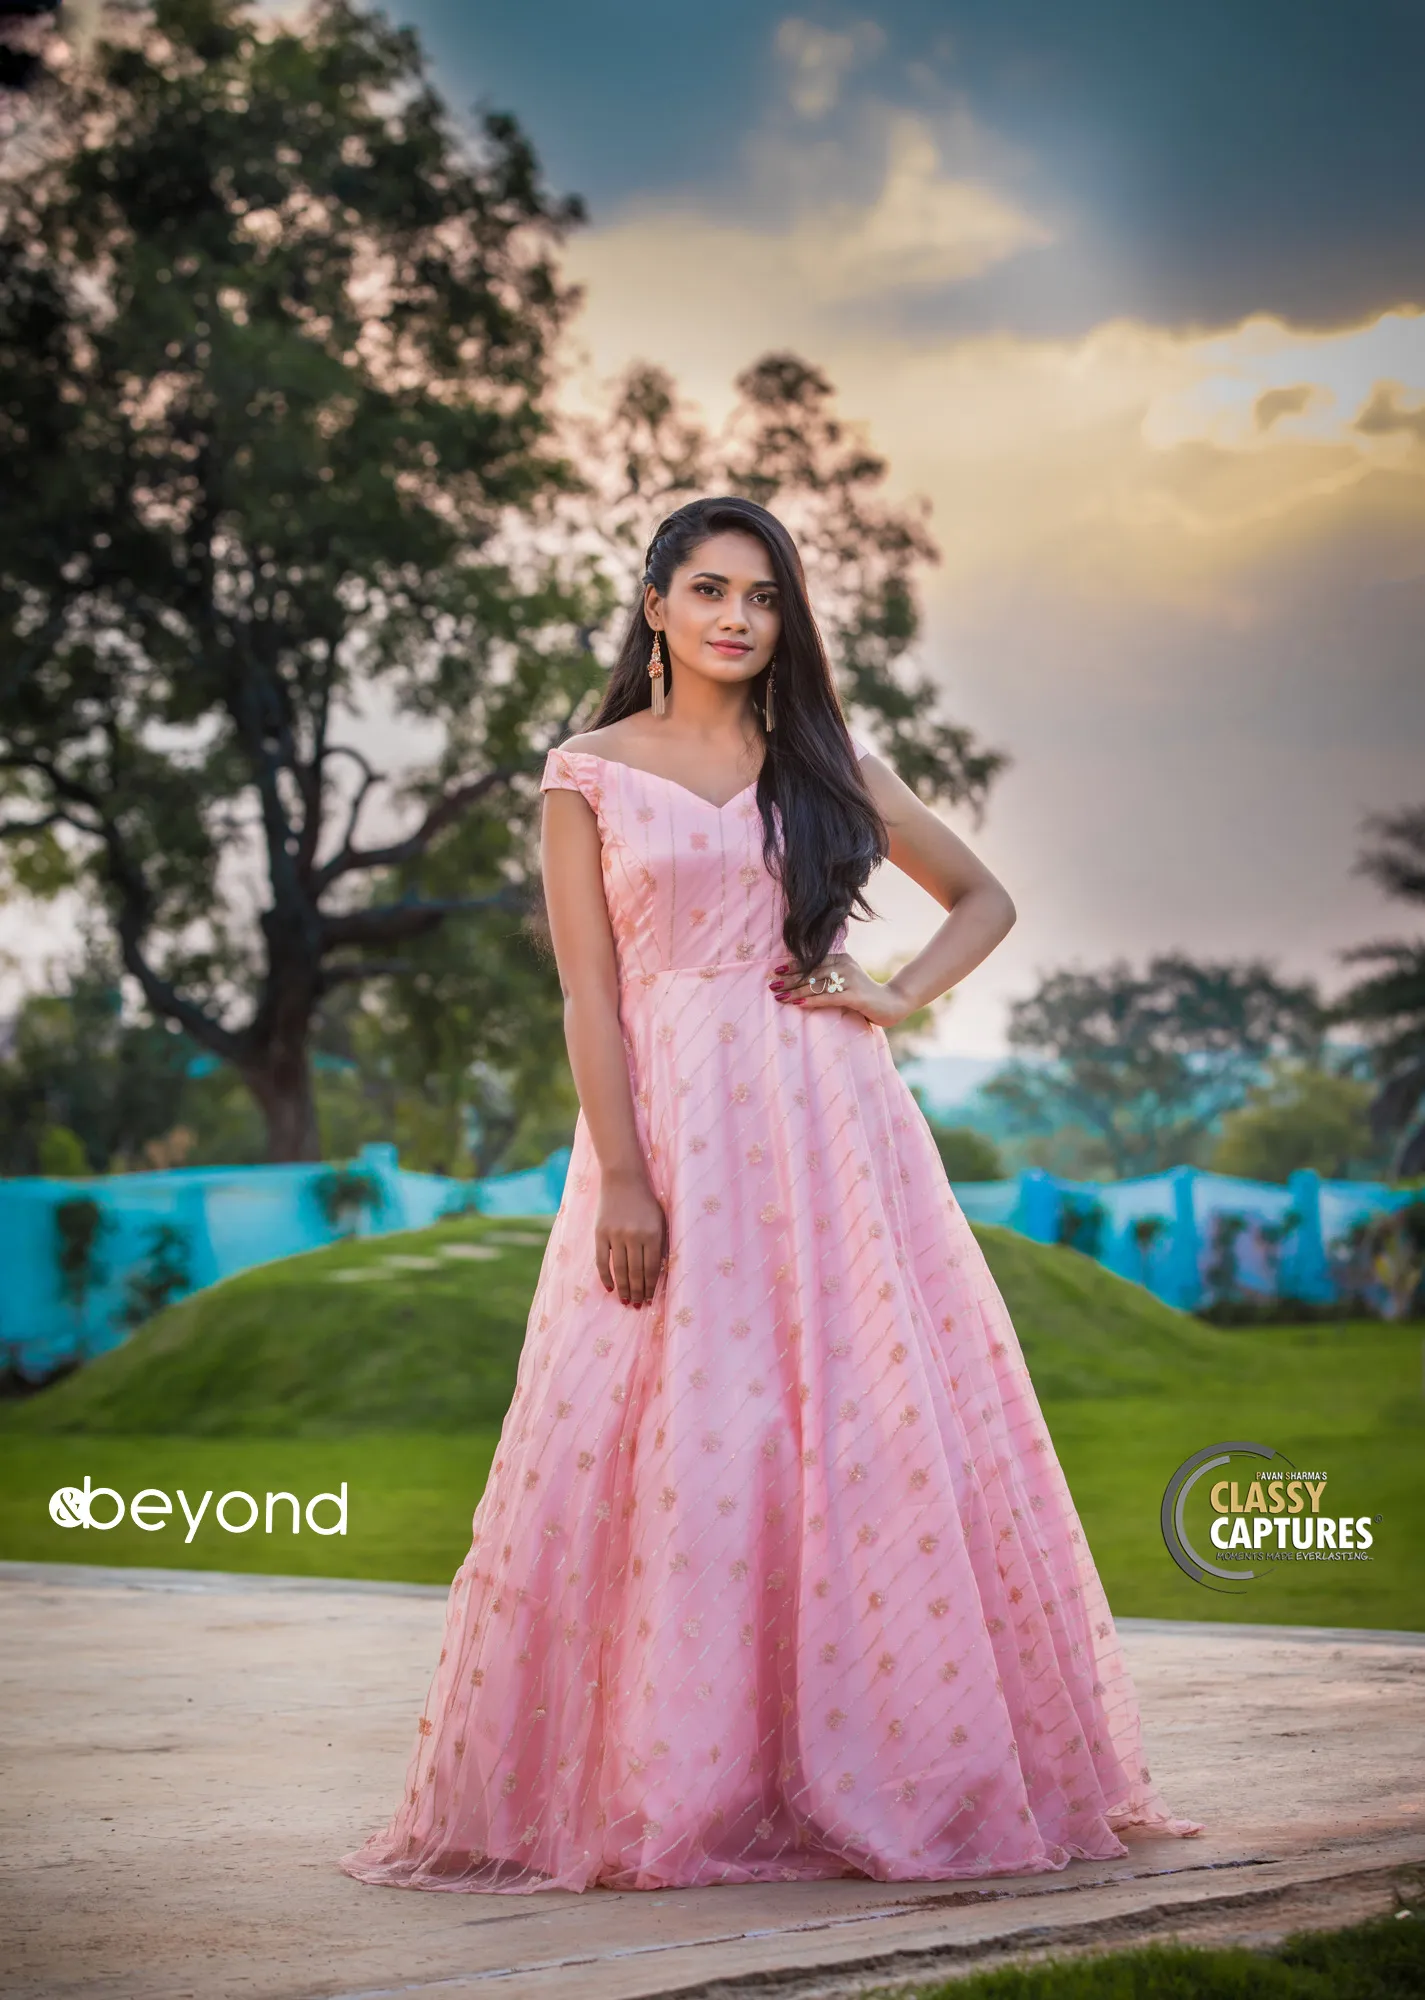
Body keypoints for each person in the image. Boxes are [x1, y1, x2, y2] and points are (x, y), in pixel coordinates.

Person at [338, 495, 1202, 1895]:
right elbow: (588, 990)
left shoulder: (825, 761)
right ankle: (683, 1782)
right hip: (673, 1126)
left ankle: (884, 1767)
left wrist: (893, 993)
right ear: (657, 604)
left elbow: (982, 898)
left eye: (766, 596)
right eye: (713, 589)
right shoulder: (586, 774)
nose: (741, 616)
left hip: (832, 1126)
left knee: (865, 1436)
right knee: (684, 1438)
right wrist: (622, 1173)